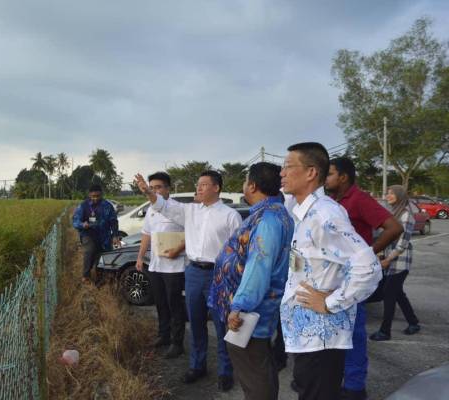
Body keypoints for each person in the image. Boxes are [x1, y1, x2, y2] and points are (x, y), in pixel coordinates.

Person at [279, 142, 382, 400]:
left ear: (311, 172)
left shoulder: (325, 215)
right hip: (307, 335)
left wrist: (331, 302)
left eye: (288, 166)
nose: (282, 173)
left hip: (322, 336)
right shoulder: (304, 211)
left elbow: (368, 267)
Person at [135, 170, 242, 392]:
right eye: (198, 184)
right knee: (195, 321)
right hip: (193, 272)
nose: (199, 188)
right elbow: (164, 205)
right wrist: (147, 192)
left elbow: (239, 252)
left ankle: (225, 370)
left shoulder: (230, 216)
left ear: (216, 188)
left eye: (204, 184)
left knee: (221, 323)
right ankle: (197, 365)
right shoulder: (189, 211)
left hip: (219, 274)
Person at [208, 162, 294, 400]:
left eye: (245, 181)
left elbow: (259, 266)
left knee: (253, 373)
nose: (244, 185)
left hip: (249, 314)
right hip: (254, 310)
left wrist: (239, 306)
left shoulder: (268, 220)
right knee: (260, 369)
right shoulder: (272, 213)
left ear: (253, 185)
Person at [325, 157, 403, 400]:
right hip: (334, 279)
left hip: (352, 280)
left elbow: (394, 227)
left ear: (343, 177)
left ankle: (355, 388)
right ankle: (338, 382)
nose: (325, 179)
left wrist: (367, 253)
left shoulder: (359, 199)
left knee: (354, 334)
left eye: (329, 174)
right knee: (337, 334)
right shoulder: (332, 202)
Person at [136, 172, 186, 359]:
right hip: (156, 265)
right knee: (160, 303)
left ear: (168, 189)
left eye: (158, 187)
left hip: (174, 267)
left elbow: (192, 234)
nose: (154, 191)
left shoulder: (178, 208)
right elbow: (146, 234)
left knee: (175, 305)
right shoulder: (151, 209)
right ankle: (163, 335)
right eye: (152, 187)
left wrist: (178, 249)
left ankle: (177, 343)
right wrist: (140, 257)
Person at [368, 185, 421, 341]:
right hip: (390, 259)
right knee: (398, 294)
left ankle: (385, 331)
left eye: (392, 193)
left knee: (389, 294)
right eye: (388, 193)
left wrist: (388, 259)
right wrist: (380, 255)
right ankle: (413, 322)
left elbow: (403, 244)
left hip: (400, 261)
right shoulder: (393, 213)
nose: (388, 195)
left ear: (400, 195)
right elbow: (384, 237)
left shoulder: (406, 215)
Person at [72, 184, 119, 283]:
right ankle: (86, 276)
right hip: (88, 234)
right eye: (93, 196)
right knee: (90, 249)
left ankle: (100, 278)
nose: (95, 198)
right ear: (89, 195)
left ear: (101, 194)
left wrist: (115, 235)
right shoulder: (83, 206)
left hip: (104, 235)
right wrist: (82, 224)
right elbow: (75, 221)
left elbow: (114, 221)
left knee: (102, 256)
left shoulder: (108, 206)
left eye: (98, 196)